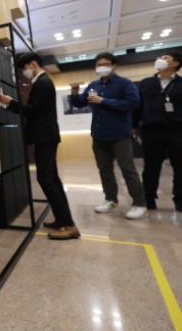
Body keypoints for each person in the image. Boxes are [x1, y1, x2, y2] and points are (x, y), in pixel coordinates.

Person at [0, 52, 79, 240]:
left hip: (45, 137)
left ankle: (69, 225)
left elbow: (31, 110)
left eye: (24, 68)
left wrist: (10, 103)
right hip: (46, 137)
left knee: (46, 179)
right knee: (52, 180)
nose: (24, 72)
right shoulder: (43, 82)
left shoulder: (42, 83)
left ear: (33, 64)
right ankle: (62, 219)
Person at [70, 52, 147, 219]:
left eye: (105, 64)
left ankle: (139, 203)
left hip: (120, 135)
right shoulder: (94, 84)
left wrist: (103, 101)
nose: (101, 67)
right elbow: (80, 102)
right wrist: (74, 93)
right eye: (99, 65)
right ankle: (110, 199)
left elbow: (133, 103)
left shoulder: (124, 84)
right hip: (99, 135)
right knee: (104, 170)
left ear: (114, 65)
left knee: (128, 169)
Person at [133, 52, 182, 212]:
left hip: (176, 131)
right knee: (151, 167)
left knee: (180, 167)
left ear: (176, 64)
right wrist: (134, 125)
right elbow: (138, 106)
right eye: (160, 58)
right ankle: (149, 198)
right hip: (151, 131)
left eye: (166, 58)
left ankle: (179, 200)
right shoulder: (146, 83)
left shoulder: (180, 84)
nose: (161, 60)